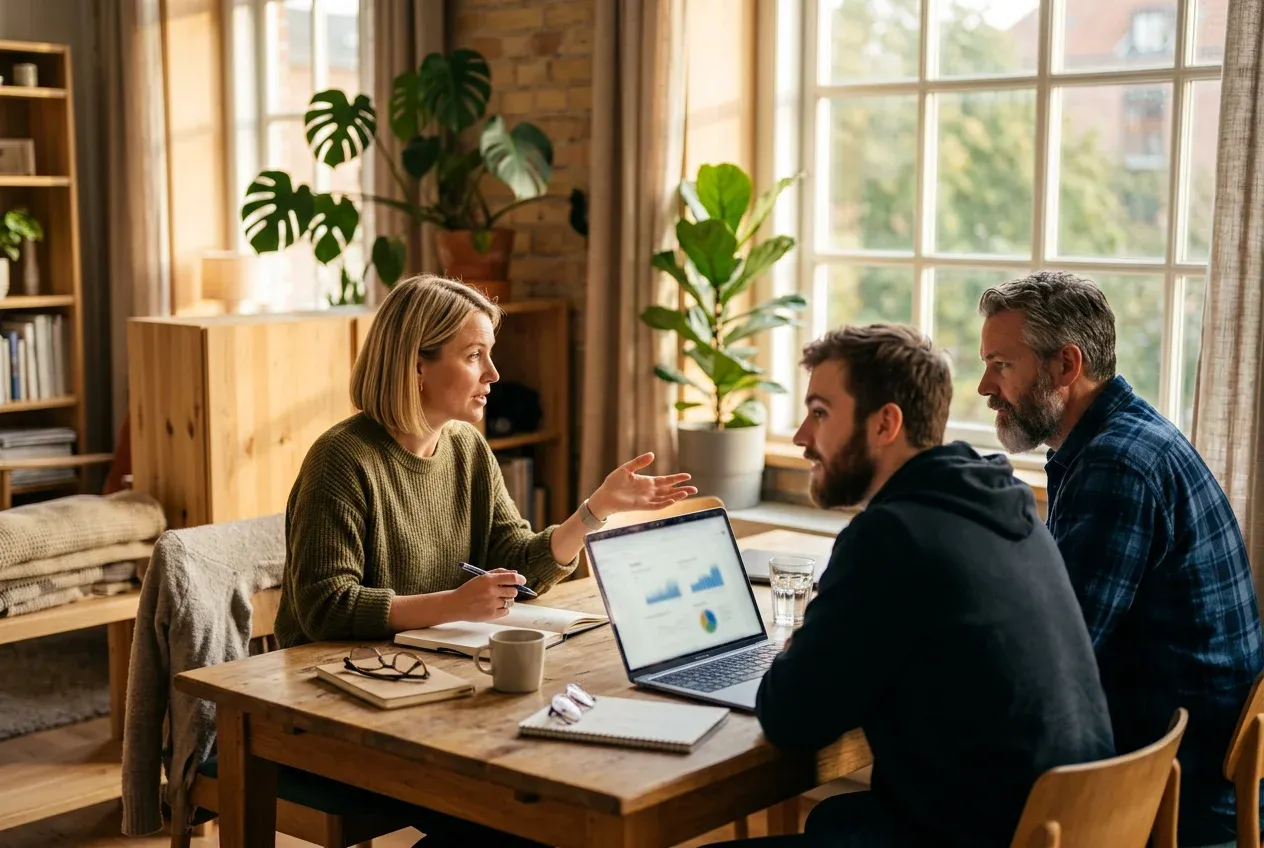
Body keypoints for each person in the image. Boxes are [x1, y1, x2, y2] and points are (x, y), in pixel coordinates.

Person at [273, 275, 697, 846]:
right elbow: (326, 608)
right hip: (336, 705)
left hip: (429, 690)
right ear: (415, 366)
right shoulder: (341, 460)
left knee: (544, 801)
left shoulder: (465, 447)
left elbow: (517, 560)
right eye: (475, 356)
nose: (494, 375)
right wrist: (451, 605)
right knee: (518, 814)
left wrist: (594, 512)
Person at [721, 324, 1113, 847]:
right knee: (835, 820)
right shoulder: (1004, 501)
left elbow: (791, 721)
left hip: (984, 836)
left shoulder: (891, 537)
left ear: (886, 423)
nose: (800, 438)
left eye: (819, 413)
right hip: (1071, 824)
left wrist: (800, 648)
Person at [977, 270, 1264, 848]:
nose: (984, 386)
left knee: (922, 787)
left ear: (1065, 366)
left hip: (1178, 796)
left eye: (1002, 365)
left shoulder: (1116, 466)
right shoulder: (1125, 436)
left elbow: (1060, 653)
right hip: (1196, 769)